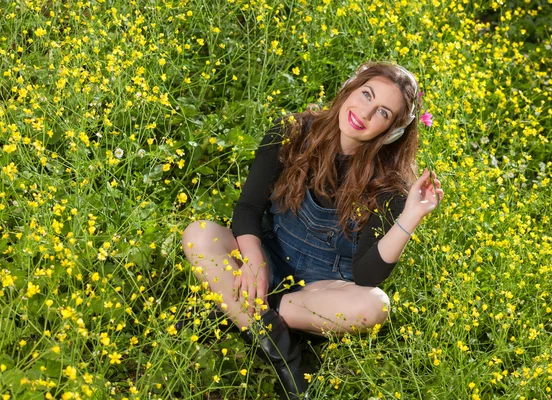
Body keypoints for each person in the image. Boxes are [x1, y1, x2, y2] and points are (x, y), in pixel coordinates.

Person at [181, 61, 444, 399]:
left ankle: (241, 310)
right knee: (199, 233)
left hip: (314, 294)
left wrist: (411, 217)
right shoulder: (290, 132)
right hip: (265, 260)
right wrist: (254, 262)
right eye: (366, 94)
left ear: (391, 131)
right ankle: (287, 357)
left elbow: (366, 276)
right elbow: (248, 209)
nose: (363, 113)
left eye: (382, 112)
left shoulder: (388, 186)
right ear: (350, 87)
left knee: (376, 306)